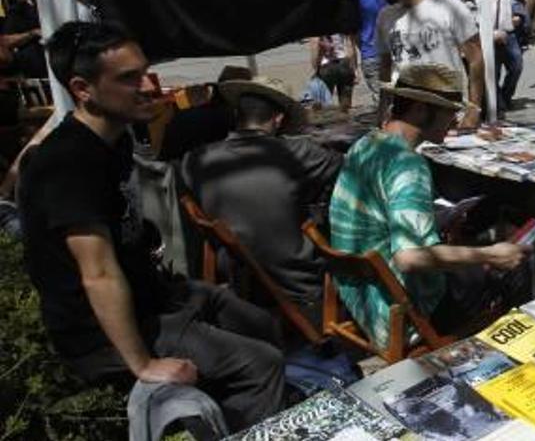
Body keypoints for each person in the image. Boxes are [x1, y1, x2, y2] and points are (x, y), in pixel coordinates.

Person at [20, 21, 283, 430]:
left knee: (261, 322)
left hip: (152, 298)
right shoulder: (68, 164)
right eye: (129, 79)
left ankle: (249, 419)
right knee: (261, 365)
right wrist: (143, 364)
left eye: (146, 71)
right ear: (82, 89)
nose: (149, 86)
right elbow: (98, 274)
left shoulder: (117, 138)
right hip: (101, 334)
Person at [329, 65, 530, 348]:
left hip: (358, 297)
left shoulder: (366, 143)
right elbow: (409, 258)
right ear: (421, 110)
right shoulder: (407, 165)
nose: (455, 120)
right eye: (450, 111)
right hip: (397, 313)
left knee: (472, 238)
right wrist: (491, 255)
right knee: (516, 269)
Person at [181, 78, 343, 321]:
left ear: (237, 115)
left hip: (236, 269)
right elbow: (346, 164)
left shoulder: (195, 159)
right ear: (278, 119)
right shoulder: (297, 153)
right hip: (295, 277)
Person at [370, 0, 485, 128]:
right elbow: (385, 68)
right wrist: (382, 111)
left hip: (447, 118)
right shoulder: (385, 17)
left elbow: (476, 58)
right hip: (404, 118)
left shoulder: (450, 8)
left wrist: (474, 109)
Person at [484, 0, 524, 113]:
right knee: (493, 74)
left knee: (516, 67)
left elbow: (516, 6)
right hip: (488, 39)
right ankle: (500, 105)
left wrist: (518, 16)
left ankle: (506, 96)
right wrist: (491, 34)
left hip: (508, 36)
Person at [357, 0, 388, 106]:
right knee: (393, 96)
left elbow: (354, 33)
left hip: (369, 53)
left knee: (380, 99)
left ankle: (387, 127)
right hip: (389, 53)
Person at [310, 33, 358, 112]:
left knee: (323, 105)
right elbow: (350, 45)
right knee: (345, 104)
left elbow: (315, 46)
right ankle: (345, 119)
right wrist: (354, 68)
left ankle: (327, 122)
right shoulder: (341, 22)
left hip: (326, 66)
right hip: (344, 63)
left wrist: (316, 68)